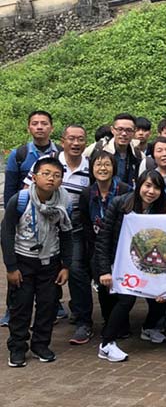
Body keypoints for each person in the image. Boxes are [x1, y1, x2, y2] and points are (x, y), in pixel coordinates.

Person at [94, 170, 166, 362]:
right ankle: (106, 344)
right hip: (121, 263)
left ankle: (149, 328)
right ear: (139, 185)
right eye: (148, 185)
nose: (151, 191)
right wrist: (105, 270)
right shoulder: (120, 204)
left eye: (156, 188)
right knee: (127, 300)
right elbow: (104, 239)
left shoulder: (163, 208)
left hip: (150, 263)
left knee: (160, 297)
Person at [3, 156, 72, 367]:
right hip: (23, 261)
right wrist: (11, 267)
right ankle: (17, 348)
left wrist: (66, 266)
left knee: (48, 306)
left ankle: (41, 345)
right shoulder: (21, 200)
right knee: (20, 306)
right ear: (34, 177)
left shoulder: (63, 201)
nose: (51, 179)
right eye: (46, 174)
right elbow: (6, 232)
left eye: (57, 175)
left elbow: (66, 234)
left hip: (50, 262)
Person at [78, 151, 131, 329]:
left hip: (120, 245)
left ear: (114, 167)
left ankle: (122, 323)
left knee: (121, 286)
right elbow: (86, 223)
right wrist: (95, 248)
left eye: (107, 164)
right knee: (103, 285)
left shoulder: (124, 190)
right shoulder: (87, 194)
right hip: (98, 246)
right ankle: (109, 321)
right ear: (92, 168)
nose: (103, 168)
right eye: (98, 164)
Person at [52, 126, 93, 345]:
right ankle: (46, 314)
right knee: (45, 271)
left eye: (80, 139)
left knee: (76, 270)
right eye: (71, 139)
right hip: (48, 226)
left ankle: (84, 321)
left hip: (75, 227)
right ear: (63, 141)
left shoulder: (91, 167)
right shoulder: (50, 163)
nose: (76, 143)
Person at [4, 110, 60, 207]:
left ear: (52, 128)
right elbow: (10, 189)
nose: (39, 127)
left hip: (55, 208)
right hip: (25, 209)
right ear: (28, 129)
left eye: (44, 123)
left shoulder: (61, 153)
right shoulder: (18, 154)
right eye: (34, 124)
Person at [84, 113, 144, 186]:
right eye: (120, 129)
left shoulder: (138, 156)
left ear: (134, 132)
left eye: (129, 130)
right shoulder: (97, 148)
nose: (124, 134)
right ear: (112, 130)